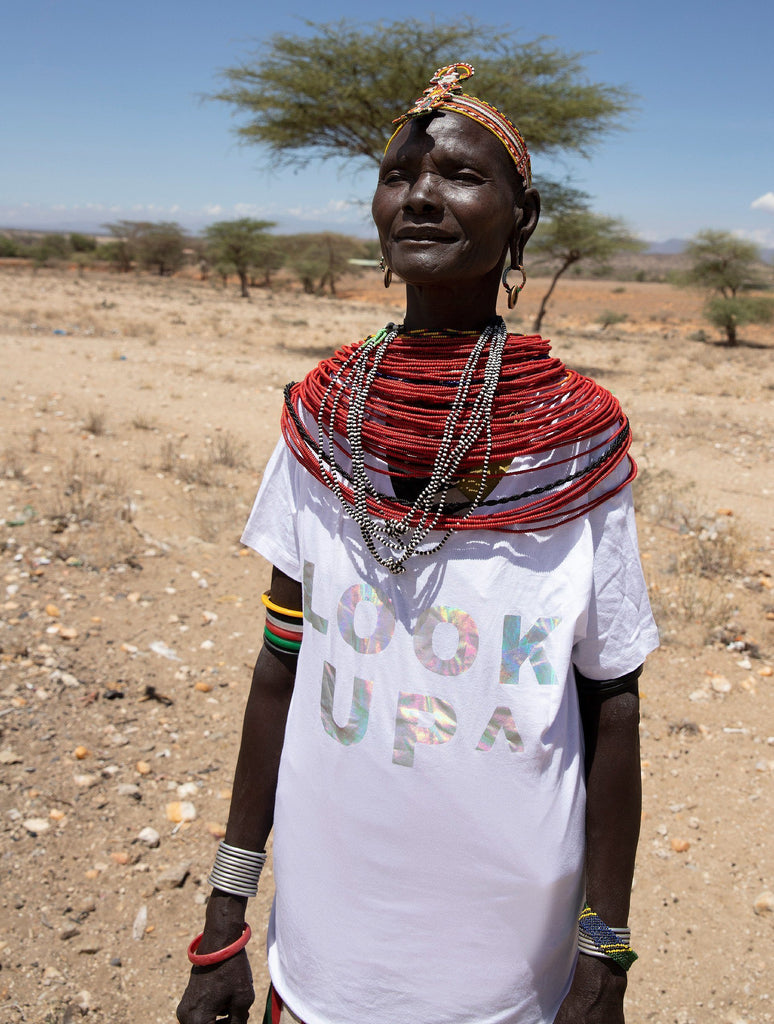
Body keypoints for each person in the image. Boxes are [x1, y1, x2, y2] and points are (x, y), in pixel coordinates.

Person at [177, 63, 658, 1024]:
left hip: (507, 963)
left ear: (523, 215)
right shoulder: (320, 428)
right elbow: (278, 668)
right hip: (329, 947)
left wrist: (605, 956)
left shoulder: (575, 447)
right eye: (401, 175)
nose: (423, 197)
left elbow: (614, 709)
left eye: (461, 176)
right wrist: (224, 915)